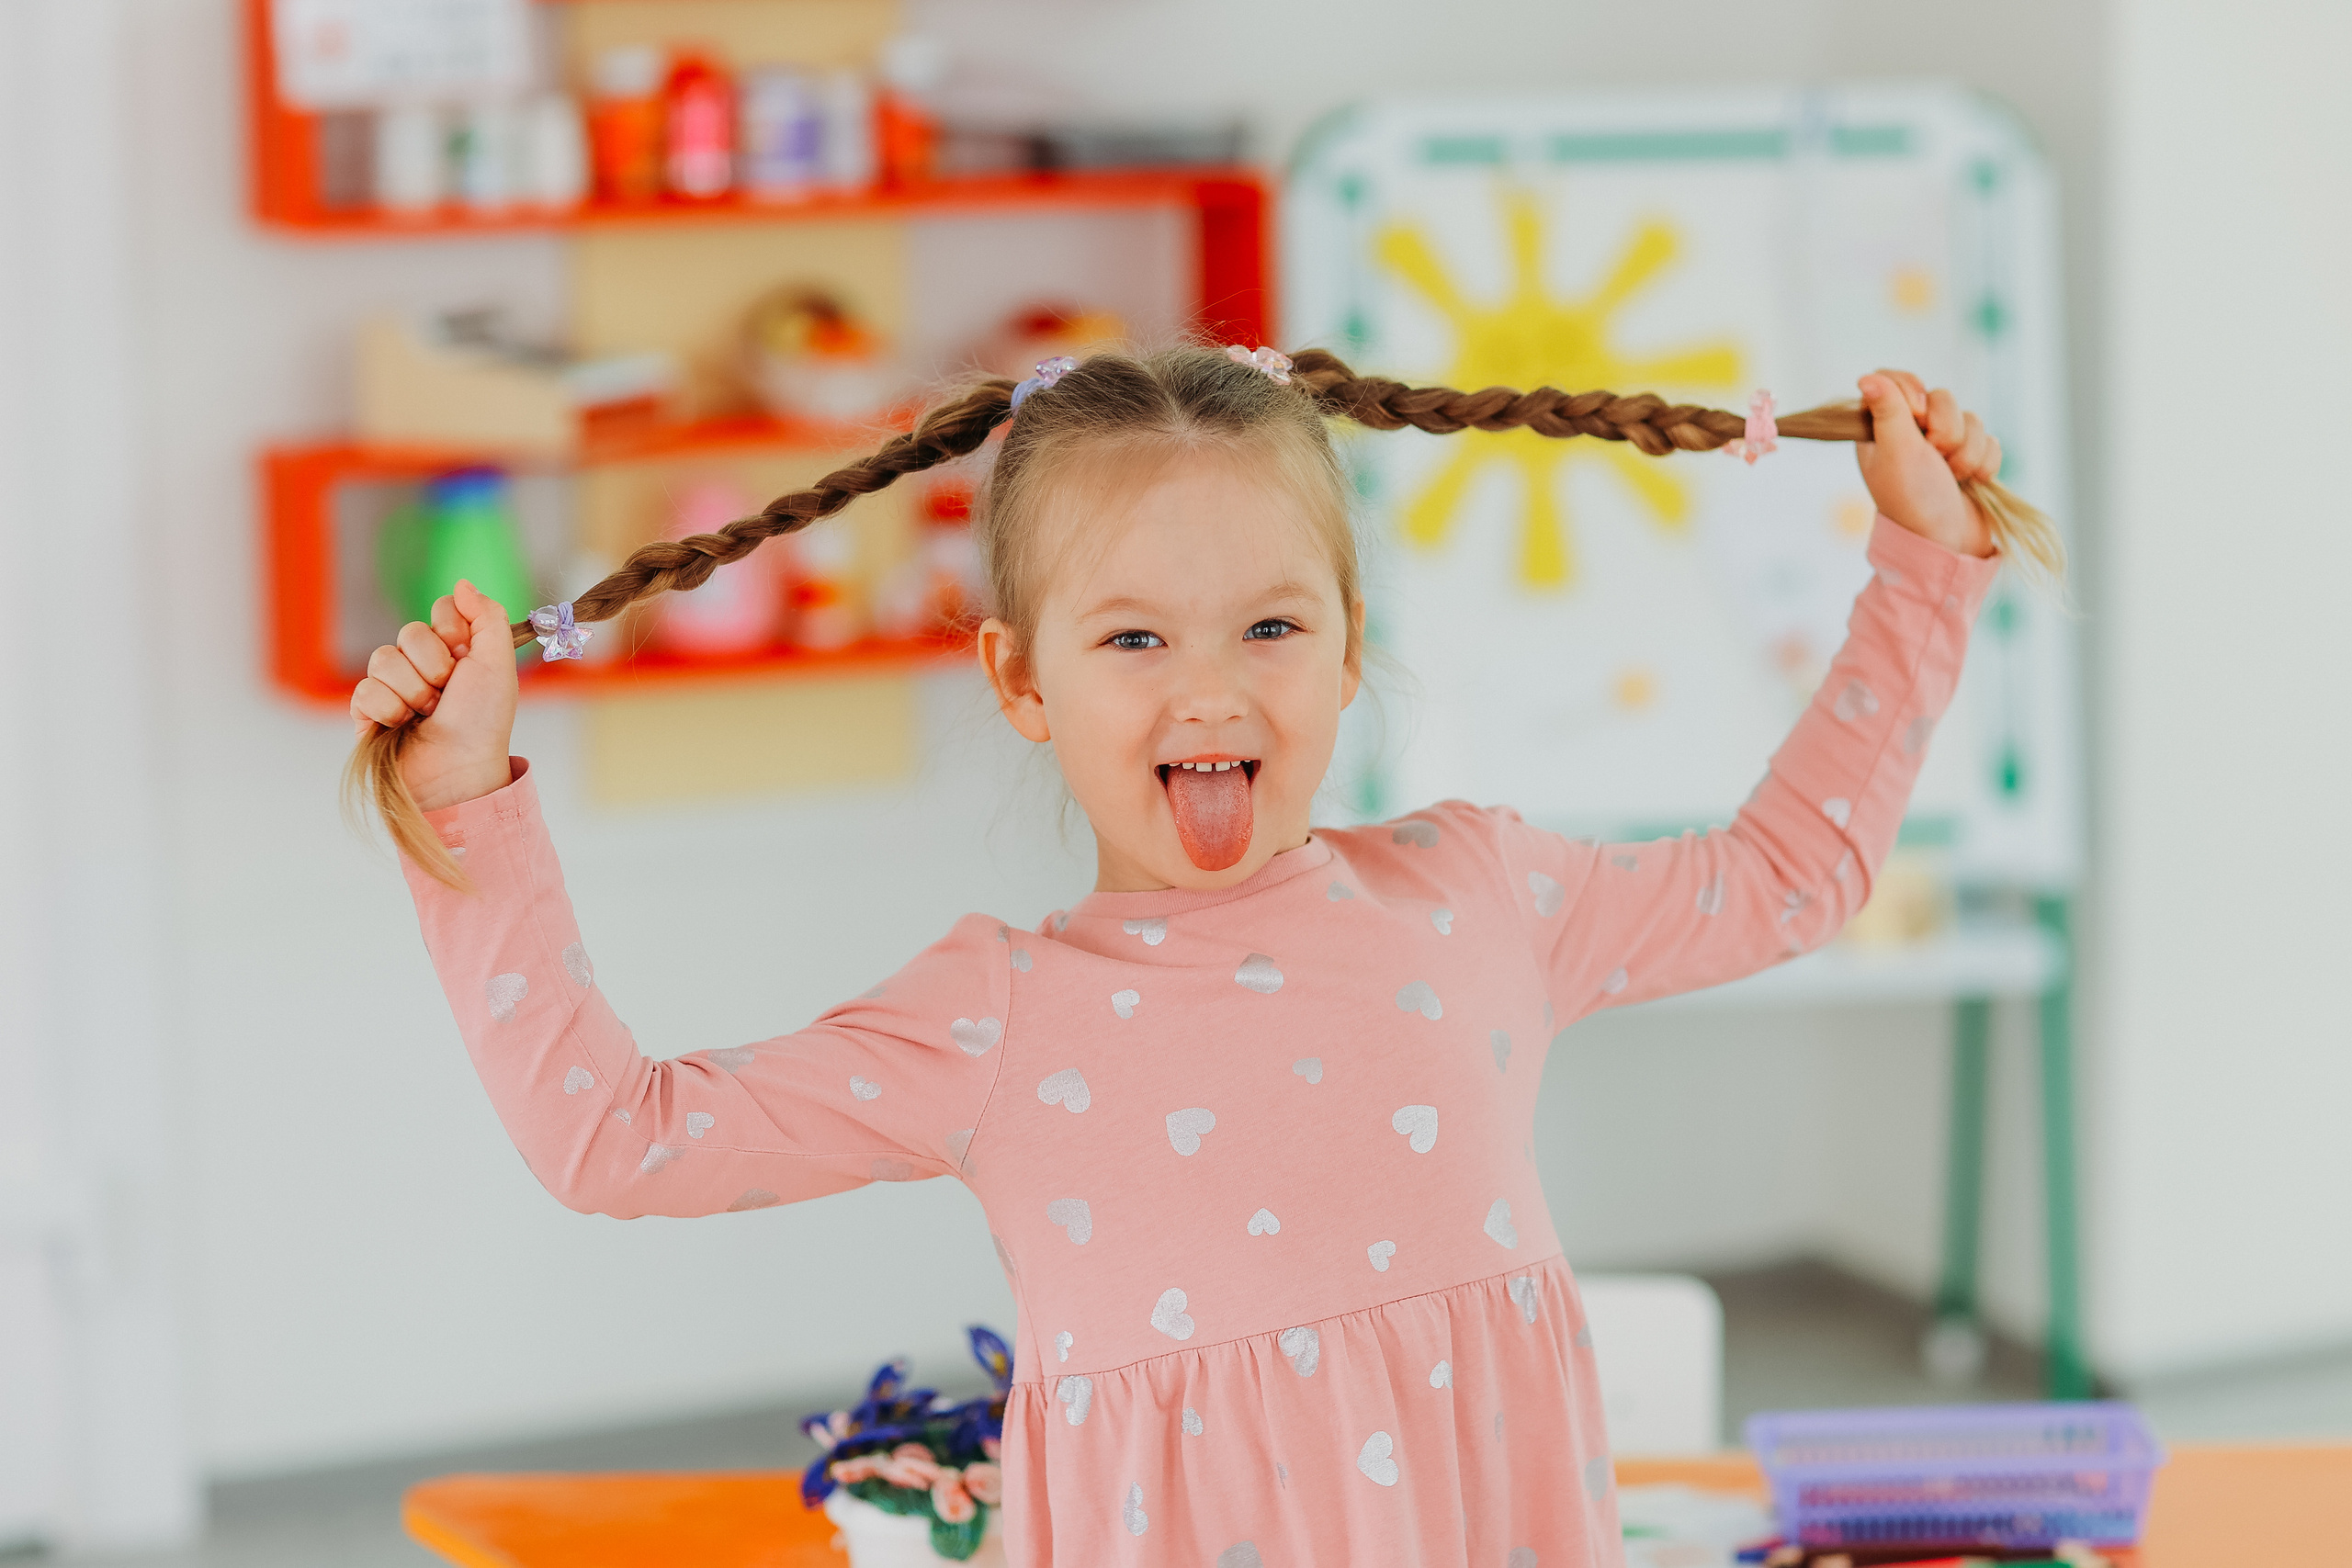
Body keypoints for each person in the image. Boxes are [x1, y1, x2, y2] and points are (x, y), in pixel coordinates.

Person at [349, 345, 2013, 1567]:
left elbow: (1791, 876)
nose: (1209, 691)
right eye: (1133, 637)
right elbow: (613, 1138)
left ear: (1351, 650)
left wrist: (1924, 567)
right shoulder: (994, 1016)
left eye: (1271, 628)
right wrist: (465, 800)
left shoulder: (1478, 897)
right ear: (1021, 681)